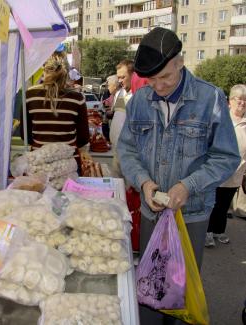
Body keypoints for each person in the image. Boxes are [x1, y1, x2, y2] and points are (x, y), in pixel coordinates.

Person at [117, 27, 240, 324]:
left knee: (179, 289)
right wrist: (144, 182)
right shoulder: (139, 101)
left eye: (165, 77)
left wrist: (188, 185)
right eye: (151, 79)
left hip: (193, 215)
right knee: (150, 286)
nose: (158, 86)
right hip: (151, 212)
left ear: (180, 62)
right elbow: (126, 150)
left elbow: (227, 156)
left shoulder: (210, 99)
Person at [20, 55, 90, 164]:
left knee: (39, 182)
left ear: (44, 72)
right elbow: (84, 138)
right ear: (66, 74)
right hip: (68, 163)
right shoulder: (77, 98)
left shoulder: (29, 95)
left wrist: (43, 145)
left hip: (39, 162)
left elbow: (25, 135)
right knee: (69, 182)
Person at [205, 84, 246, 247]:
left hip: (236, 172)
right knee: (212, 203)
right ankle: (207, 232)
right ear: (230, 101)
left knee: (224, 205)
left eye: (245, 100)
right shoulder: (222, 119)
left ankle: (219, 231)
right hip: (218, 170)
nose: (242, 103)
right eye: (239, 99)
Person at [109, 59, 134, 177]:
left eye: (123, 77)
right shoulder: (121, 92)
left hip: (129, 153)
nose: (119, 81)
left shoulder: (138, 94)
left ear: (133, 75)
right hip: (116, 149)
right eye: (118, 77)